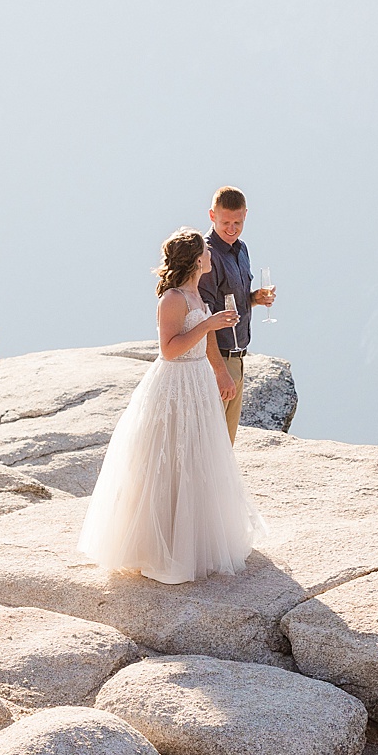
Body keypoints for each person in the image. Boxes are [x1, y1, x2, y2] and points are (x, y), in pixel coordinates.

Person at [76, 229, 268, 583]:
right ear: (197, 260)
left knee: (199, 456)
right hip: (175, 383)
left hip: (198, 382)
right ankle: (160, 545)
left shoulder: (197, 292)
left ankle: (195, 540)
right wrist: (209, 323)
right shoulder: (173, 298)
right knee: (168, 457)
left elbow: (208, 340)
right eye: (206, 252)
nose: (211, 255)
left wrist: (221, 372)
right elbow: (169, 348)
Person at [195, 185, 278, 440]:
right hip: (218, 361)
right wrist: (220, 372)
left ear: (246, 215)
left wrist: (255, 298)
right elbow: (203, 319)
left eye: (238, 222)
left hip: (238, 359)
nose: (232, 229)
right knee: (211, 445)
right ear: (212, 216)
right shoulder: (207, 256)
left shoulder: (242, 250)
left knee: (226, 444)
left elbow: (233, 303)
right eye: (226, 223)